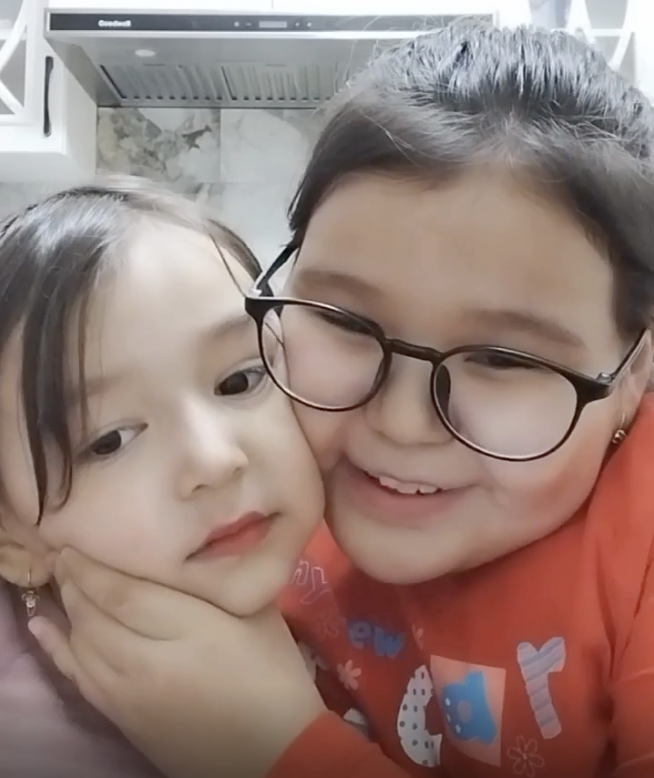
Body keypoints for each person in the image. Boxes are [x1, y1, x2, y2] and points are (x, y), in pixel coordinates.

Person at [28, 21, 654, 778]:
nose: (400, 423)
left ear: (633, 370)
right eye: (346, 322)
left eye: (501, 359)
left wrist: (275, 750)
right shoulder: (241, 475)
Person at [0, 177, 325, 777]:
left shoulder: (380, 536)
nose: (214, 460)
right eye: (109, 441)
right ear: (13, 538)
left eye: (240, 380)